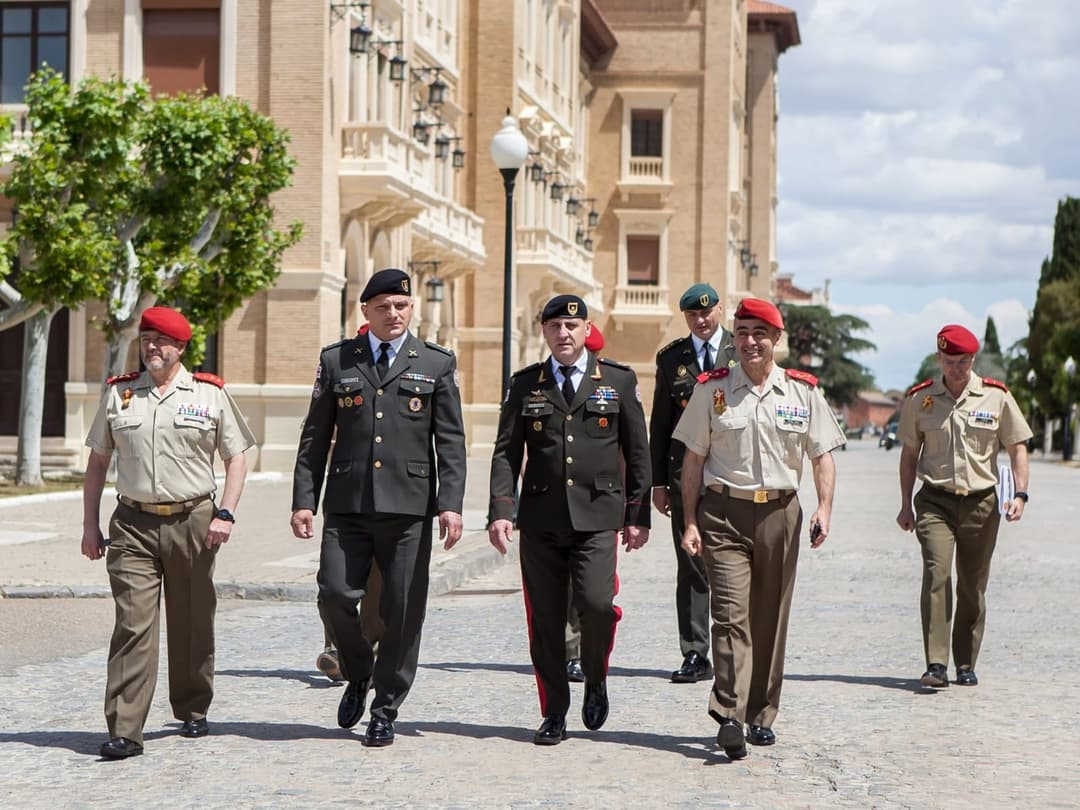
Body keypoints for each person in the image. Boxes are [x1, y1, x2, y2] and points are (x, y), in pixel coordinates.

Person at [291, 267, 466, 748]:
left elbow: (450, 441)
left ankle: (385, 708)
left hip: (408, 508)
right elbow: (314, 437)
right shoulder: (337, 360)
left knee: (403, 609)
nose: (394, 313)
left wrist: (451, 504)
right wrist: (304, 499)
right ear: (364, 311)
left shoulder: (435, 363)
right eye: (384, 306)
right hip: (347, 504)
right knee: (334, 594)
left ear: (412, 310)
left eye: (402, 305)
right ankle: (359, 671)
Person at [81, 306, 256, 759]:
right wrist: (89, 525)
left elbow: (236, 456)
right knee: (133, 624)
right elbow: (98, 461)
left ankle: (193, 706)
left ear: (180, 348)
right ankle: (125, 728)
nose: (152, 348)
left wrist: (226, 512)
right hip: (133, 523)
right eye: (146, 341)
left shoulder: (209, 395)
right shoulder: (119, 396)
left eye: (162, 342)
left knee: (192, 620)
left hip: (193, 521)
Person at [674, 297, 844, 759]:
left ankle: (760, 714)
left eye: (759, 334)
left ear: (776, 340)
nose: (750, 342)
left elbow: (822, 455)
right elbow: (693, 459)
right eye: (743, 332)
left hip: (780, 514)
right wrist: (689, 520)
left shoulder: (803, 392)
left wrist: (824, 508)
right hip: (723, 513)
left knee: (769, 617)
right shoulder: (712, 390)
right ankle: (728, 713)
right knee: (729, 616)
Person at [488, 295, 651, 746]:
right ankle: (554, 711)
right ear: (544, 331)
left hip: (599, 517)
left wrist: (637, 516)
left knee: (597, 606)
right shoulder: (525, 384)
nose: (564, 333)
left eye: (572, 326)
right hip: (540, 518)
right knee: (545, 621)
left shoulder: (616, 380)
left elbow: (638, 452)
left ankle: (596, 675)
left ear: (586, 331)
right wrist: (502, 510)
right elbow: (505, 452)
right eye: (555, 325)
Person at [895, 324, 1031, 688]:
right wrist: (905, 505)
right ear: (938, 358)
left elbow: (1018, 446)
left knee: (972, 584)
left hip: (981, 503)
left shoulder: (996, 397)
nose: (958, 367)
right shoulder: (920, 399)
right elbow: (910, 455)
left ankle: (966, 662)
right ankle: (936, 663)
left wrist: (1019, 494)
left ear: (973, 359)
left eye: (965, 361)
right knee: (937, 573)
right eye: (951, 360)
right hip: (935, 501)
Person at [650, 283, 736, 683]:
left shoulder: (741, 350)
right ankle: (695, 652)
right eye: (692, 315)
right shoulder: (672, 360)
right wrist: (657, 483)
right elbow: (661, 425)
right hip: (684, 476)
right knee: (691, 566)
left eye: (707, 312)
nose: (701, 320)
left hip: (731, 476)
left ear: (720, 309)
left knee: (733, 566)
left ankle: (735, 648)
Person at [565, 321, 608, 684]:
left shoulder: (612, 387)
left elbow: (628, 451)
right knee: (563, 589)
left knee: (594, 595)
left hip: (598, 507)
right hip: (557, 508)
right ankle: (570, 651)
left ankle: (591, 652)